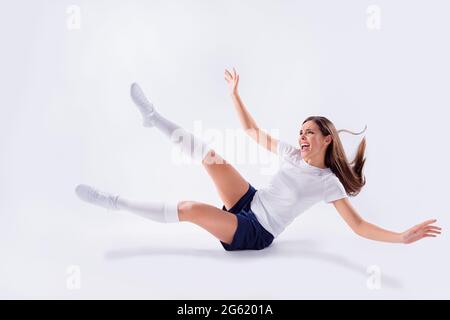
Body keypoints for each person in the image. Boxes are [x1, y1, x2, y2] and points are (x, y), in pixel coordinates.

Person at [75, 68, 442, 251]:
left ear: (327, 139)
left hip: (256, 232)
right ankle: (153, 117)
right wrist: (235, 93)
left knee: (188, 208)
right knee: (212, 157)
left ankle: (113, 203)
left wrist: (400, 237)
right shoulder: (293, 154)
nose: (301, 137)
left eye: (309, 133)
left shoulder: (328, 182)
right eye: (300, 131)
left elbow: (358, 227)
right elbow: (252, 132)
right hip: (249, 201)